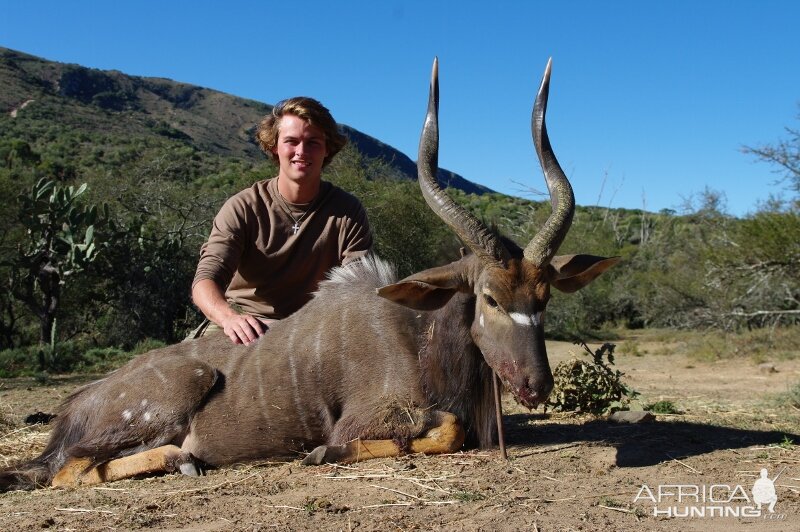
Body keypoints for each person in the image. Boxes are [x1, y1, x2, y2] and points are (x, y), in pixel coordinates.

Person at [190, 97, 373, 344]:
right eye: (291, 141)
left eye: (313, 143)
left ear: (327, 148)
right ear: (274, 146)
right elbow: (205, 281)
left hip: (313, 327)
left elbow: (357, 287)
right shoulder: (243, 206)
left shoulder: (348, 211)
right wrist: (229, 318)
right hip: (244, 321)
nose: (301, 152)